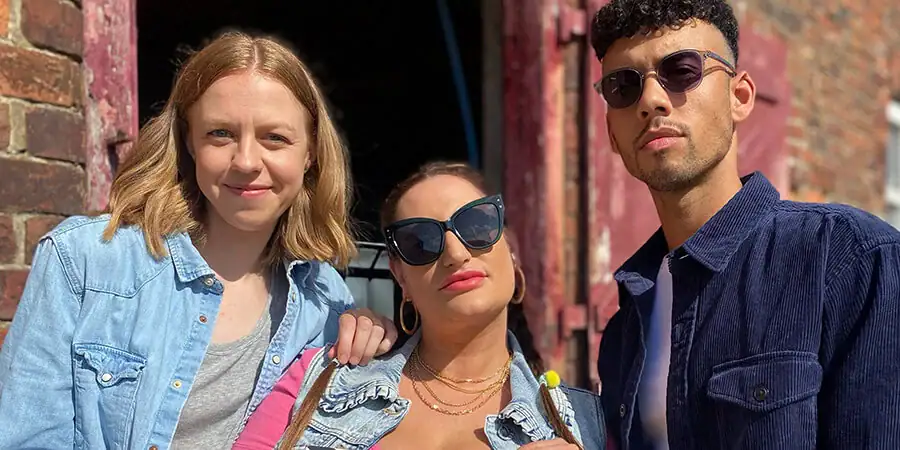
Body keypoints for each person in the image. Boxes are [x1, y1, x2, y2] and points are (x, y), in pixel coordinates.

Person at [0, 31, 396, 450]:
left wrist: (371, 336)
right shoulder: (85, 260)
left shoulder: (325, 300)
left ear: (310, 153)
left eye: (275, 138)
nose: (246, 161)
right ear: (189, 142)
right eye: (220, 133)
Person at [590, 0, 900, 449]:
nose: (651, 101)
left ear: (740, 97)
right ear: (611, 134)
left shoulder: (850, 258)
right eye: (623, 86)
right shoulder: (624, 330)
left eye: (681, 71)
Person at [232, 161, 607, 450]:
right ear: (400, 277)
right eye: (420, 241)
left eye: (477, 225)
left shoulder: (579, 426)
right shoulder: (321, 379)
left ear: (511, 250)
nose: (456, 253)